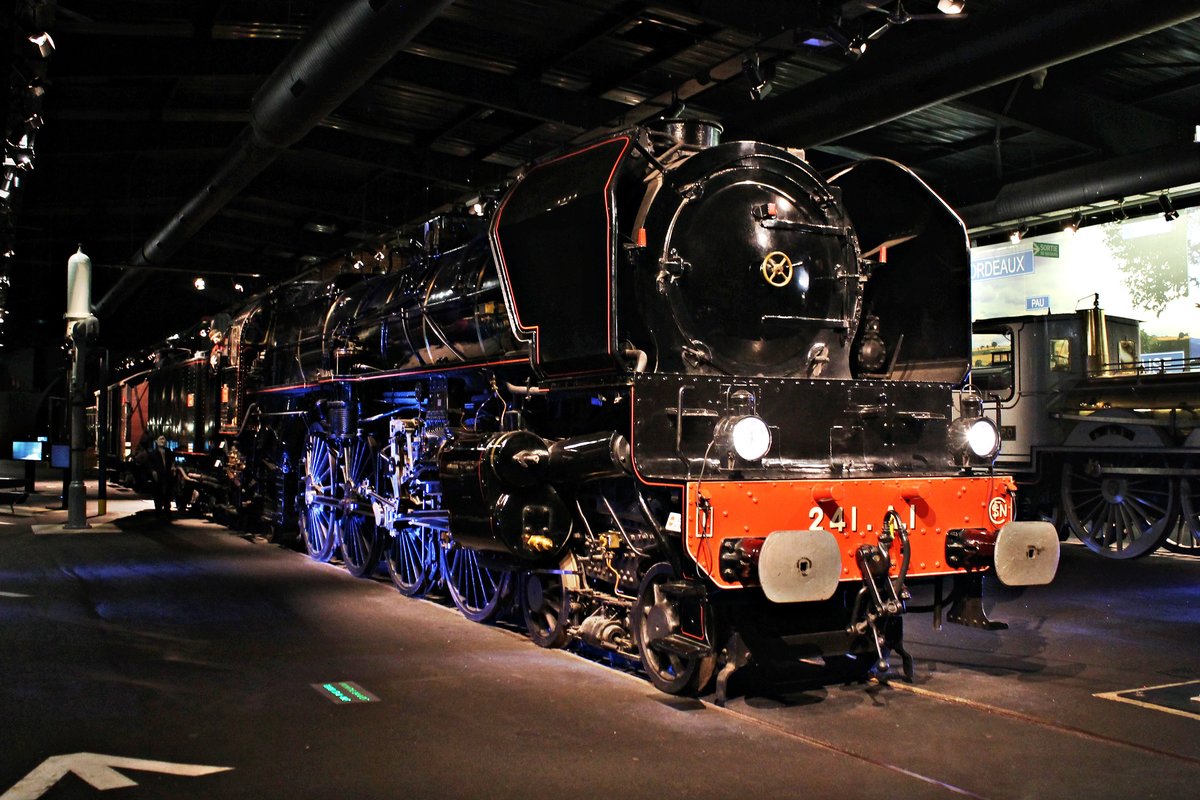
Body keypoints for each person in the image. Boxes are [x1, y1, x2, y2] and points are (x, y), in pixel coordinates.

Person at [145, 434, 178, 520]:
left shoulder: (169, 452)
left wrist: (173, 468)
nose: (163, 441)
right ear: (156, 441)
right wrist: (153, 472)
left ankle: (167, 511)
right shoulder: (152, 454)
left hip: (167, 477)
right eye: (160, 439)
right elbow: (149, 466)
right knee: (158, 495)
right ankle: (158, 512)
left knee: (167, 495)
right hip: (158, 478)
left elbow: (173, 462)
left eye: (164, 439)